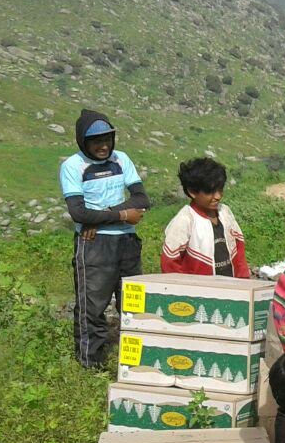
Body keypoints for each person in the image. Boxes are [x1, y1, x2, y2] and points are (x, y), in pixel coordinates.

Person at [60, 109, 149, 368]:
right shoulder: (73, 166)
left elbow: (142, 199)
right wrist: (123, 214)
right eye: (96, 141)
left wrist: (101, 217)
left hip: (127, 244)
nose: (103, 146)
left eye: (107, 139)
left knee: (133, 304)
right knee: (92, 307)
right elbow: (78, 212)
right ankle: (90, 365)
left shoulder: (121, 159)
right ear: (83, 142)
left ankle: (135, 363)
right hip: (94, 246)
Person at [160, 157, 249, 277]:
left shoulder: (225, 212)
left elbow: (239, 251)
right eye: (210, 192)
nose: (218, 196)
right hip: (198, 292)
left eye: (220, 189)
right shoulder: (185, 220)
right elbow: (170, 264)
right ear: (192, 192)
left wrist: (243, 282)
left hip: (231, 289)